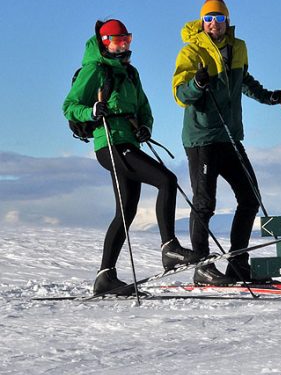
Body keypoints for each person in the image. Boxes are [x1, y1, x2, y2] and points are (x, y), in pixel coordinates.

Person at [63, 19, 201, 296]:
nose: (123, 46)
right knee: (167, 180)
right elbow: (69, 106)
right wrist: (91, 111)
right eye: (118, 41)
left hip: (128, 142)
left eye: (127, 40)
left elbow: (143, 107)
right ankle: (169, 248)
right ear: (105, 43)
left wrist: (145, 126)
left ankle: (105, 277)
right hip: (109, 144)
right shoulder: (95, 70)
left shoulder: (130, 72)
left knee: (126, 211)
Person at [171, 0, 281, 285]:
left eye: (219, 18)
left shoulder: (238, 47)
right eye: (209, 19)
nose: (214, 23)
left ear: (227, 21)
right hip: (202, 138)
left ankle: (238, 264)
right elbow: (180, 94)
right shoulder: (192, 50)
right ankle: (202, 266)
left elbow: (243, 81)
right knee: (205, 203)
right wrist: (196, 84)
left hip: (230, 136)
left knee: (250, 198)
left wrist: (268, 97)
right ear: (202, 22)